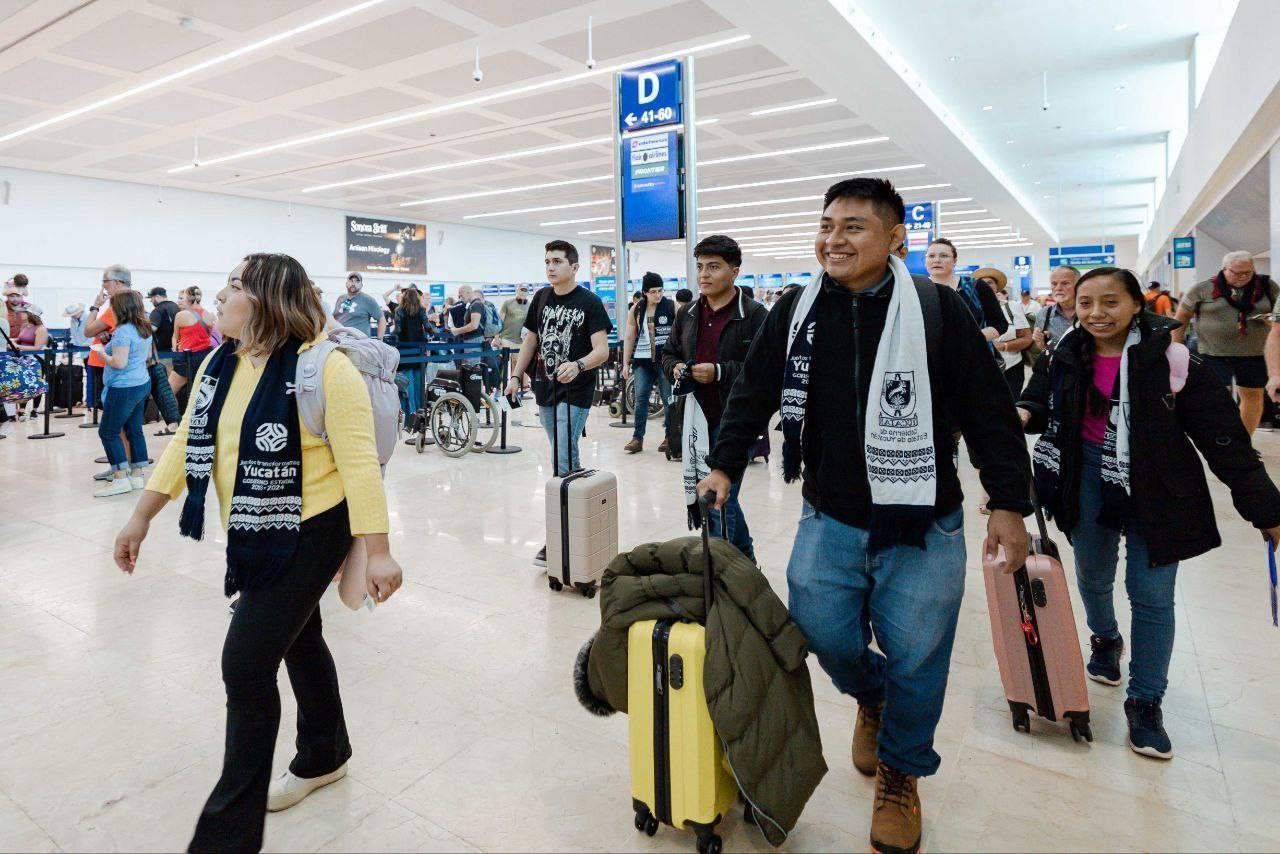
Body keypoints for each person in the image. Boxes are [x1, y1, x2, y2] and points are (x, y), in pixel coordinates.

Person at [698, 177, 1031, 854]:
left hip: (923, 522)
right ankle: (871, 697)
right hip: (831, 513)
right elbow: (755, 390)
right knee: (821, 634)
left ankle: (901, 775)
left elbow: (989, 411)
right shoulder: (797, 309)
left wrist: (1010, 504)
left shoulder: (937, 310)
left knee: (919, 657)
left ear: (895, 238)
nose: (834, 239)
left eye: (853, 226)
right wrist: (725, 463)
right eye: (827, 225)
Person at [112, 253, 402, 852]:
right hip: (254, 530)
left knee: (245, 665)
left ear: (268, 300)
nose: (220, 295)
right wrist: (142, 515)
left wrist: (378, 552)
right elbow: (189, 440)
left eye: (237, 286)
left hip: (311, 531)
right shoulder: (222, 362)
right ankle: (325, 752)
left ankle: (227, 837)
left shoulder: (326, 369)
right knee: (298, 636)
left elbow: (359, 468)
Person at [1018, 266, 1280, 760]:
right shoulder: (1066, 354)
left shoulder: (1173, 361)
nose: (1097, 313)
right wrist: (1022, 413)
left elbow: (1225, 443)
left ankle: (1145, 700)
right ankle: (1106, 639)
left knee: (1152, 595)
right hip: (1087, 478)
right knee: (1093, 576)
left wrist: (1267, 510)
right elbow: (1038, 398)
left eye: (1111, 302)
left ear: (1137, 305)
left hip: (1160, 487)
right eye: (1087, 302)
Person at [505, 241, 612, 567]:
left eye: (557, 262)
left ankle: (560, 537)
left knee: (563, 461)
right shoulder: (541, 297)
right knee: (564, 459)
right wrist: (515, 375)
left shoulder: (590, 302)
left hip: (576, 394)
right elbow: (531, 340)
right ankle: (579, 521)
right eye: (547, 261)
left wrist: (578, 364)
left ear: (574, 266)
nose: (550, 267)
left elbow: (602, 351)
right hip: (545, 390)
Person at [662, 238, 767, 559]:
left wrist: (720, 372)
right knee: (722, 498)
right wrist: (676, 367)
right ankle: (744, 563)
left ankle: (728, 569)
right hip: (696, 419)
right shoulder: (688, 314)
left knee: (722, 497)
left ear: (734, 271)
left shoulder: (754, 315)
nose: (703, 275)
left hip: (735, 421)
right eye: (699, 267)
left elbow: (763, 368)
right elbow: (668, 354)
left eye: (713, 267)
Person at [1173, 251, 1276, 435]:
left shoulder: (1268, 287)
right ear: (1224, 269)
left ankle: (1244, 442)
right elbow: (1181, 318)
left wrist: (1271, 320)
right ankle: (1222, 441)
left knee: (1253, 396)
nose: (1241, 277)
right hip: (1213, 353)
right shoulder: (1202, 288)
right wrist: (1176, 348)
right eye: (1236, 272)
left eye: (1247, 272)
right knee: (1217, 397)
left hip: (1255, 353)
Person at [92, 290, 153, 497]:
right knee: (134, 429)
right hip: (140, 383)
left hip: (124, 387)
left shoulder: (123, 332)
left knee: (108, 432)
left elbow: (119, 362)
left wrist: (102, 354)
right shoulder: (144, 328)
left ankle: (119, 478)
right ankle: (137, 474)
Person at [622, 272, 677, 455]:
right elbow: (629, 336)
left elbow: (681, 333)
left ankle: (670, 437)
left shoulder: (671, 306)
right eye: (653, 291)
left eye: (660, 290)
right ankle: (638, 438)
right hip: (643, 361)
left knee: (668, 400)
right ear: (645, 292)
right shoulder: (636, 309)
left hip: (666, 361)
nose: (658, 295)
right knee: (640, 400)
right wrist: (624, 364)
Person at [924, 237, 1007, 342]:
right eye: (931, 256)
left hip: (973, 354)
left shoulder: (976, 287)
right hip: (928, 356)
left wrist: (973, 339)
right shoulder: (917, 289)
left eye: (944, 256)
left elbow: (1000, 324)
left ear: (954, 260)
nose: (937, 260)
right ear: (925, 261)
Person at [977, 267, 1033, 399]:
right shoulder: (970, 309)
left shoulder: (1011, 307)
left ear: (997, 287)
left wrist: (1003, 346)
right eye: (981, 283)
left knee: (1010, 409)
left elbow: (1026, 338)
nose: (985, 285)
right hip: (981, 369)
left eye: (990, 282)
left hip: (1011, 368)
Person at [168, 286, 215, 396]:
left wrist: (175, 352)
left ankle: (171, 413)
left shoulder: (181, 315)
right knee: (199, 393)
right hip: (205, 357)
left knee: (168, 394)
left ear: (188, 298)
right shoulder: (210, 315)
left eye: (182, 297)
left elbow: (175, 337)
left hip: (186, 358)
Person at [394, 286, 432, 416]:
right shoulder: (421, 310)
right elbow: (427, 326)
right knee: (419, 381)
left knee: (407, 382)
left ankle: (410, 413)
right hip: (419, 348)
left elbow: (397, 331)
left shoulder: (399, 311)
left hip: (404, 349)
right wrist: (433, 333)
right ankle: (421, 411)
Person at [12, 303, 49, 420]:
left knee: (36, 384)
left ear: (30, 314)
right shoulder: (25, 326)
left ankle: (34, 410)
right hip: (24, 359)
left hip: (37, 360)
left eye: (24, 312)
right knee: (23, 384)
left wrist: (18, 346)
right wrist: (11, 341)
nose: (21, 314)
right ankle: (22, 410)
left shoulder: (41, 329)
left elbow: (37, 348)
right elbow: (21, 339)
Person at [1033, 265, 1081, 355]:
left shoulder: (1089, 312)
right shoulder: (1044, 314)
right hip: (1058, 367)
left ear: (1078, 285)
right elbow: (1046, 350)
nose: (1058, 288)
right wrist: (1041, 345)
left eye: (1065, 283)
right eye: (1054, 284)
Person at [333, 272, 385, 339]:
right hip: (339, 340)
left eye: (357, 281)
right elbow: (334, 318)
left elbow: (381, 319)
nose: (353, 284)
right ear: (346, 284)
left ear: (361, 285)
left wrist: (379, 339)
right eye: (351, 281)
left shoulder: (368, 300)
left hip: (359, 343)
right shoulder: (340, 298)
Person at [498, 285, 531, 388]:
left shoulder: (529, 305)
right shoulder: (507, 303)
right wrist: (496, 337)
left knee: (516, 365)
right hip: (506, 338)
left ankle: (513, 387)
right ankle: (500, 386)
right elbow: (500, 321)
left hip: (521, 340)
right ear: (517, 291)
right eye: (521, 290)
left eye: (525, 291)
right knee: (504, 363)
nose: (523, 293)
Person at [447, 285, 485, 371]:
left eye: (461, 295)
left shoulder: (476, 305)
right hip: (471, 341)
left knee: (473, 371)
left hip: (474, 341)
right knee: (470, 370)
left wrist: (457, 331)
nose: (460, 298)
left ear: (468, 292)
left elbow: (474, 325)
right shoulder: (472, 305)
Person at [147, 287, 180, 352]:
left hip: (162, 352)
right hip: (176, 349)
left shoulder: (158, 310)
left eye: (151, 298)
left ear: (157, 297)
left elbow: (152, 328)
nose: (151, 301)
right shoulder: (176, 306)